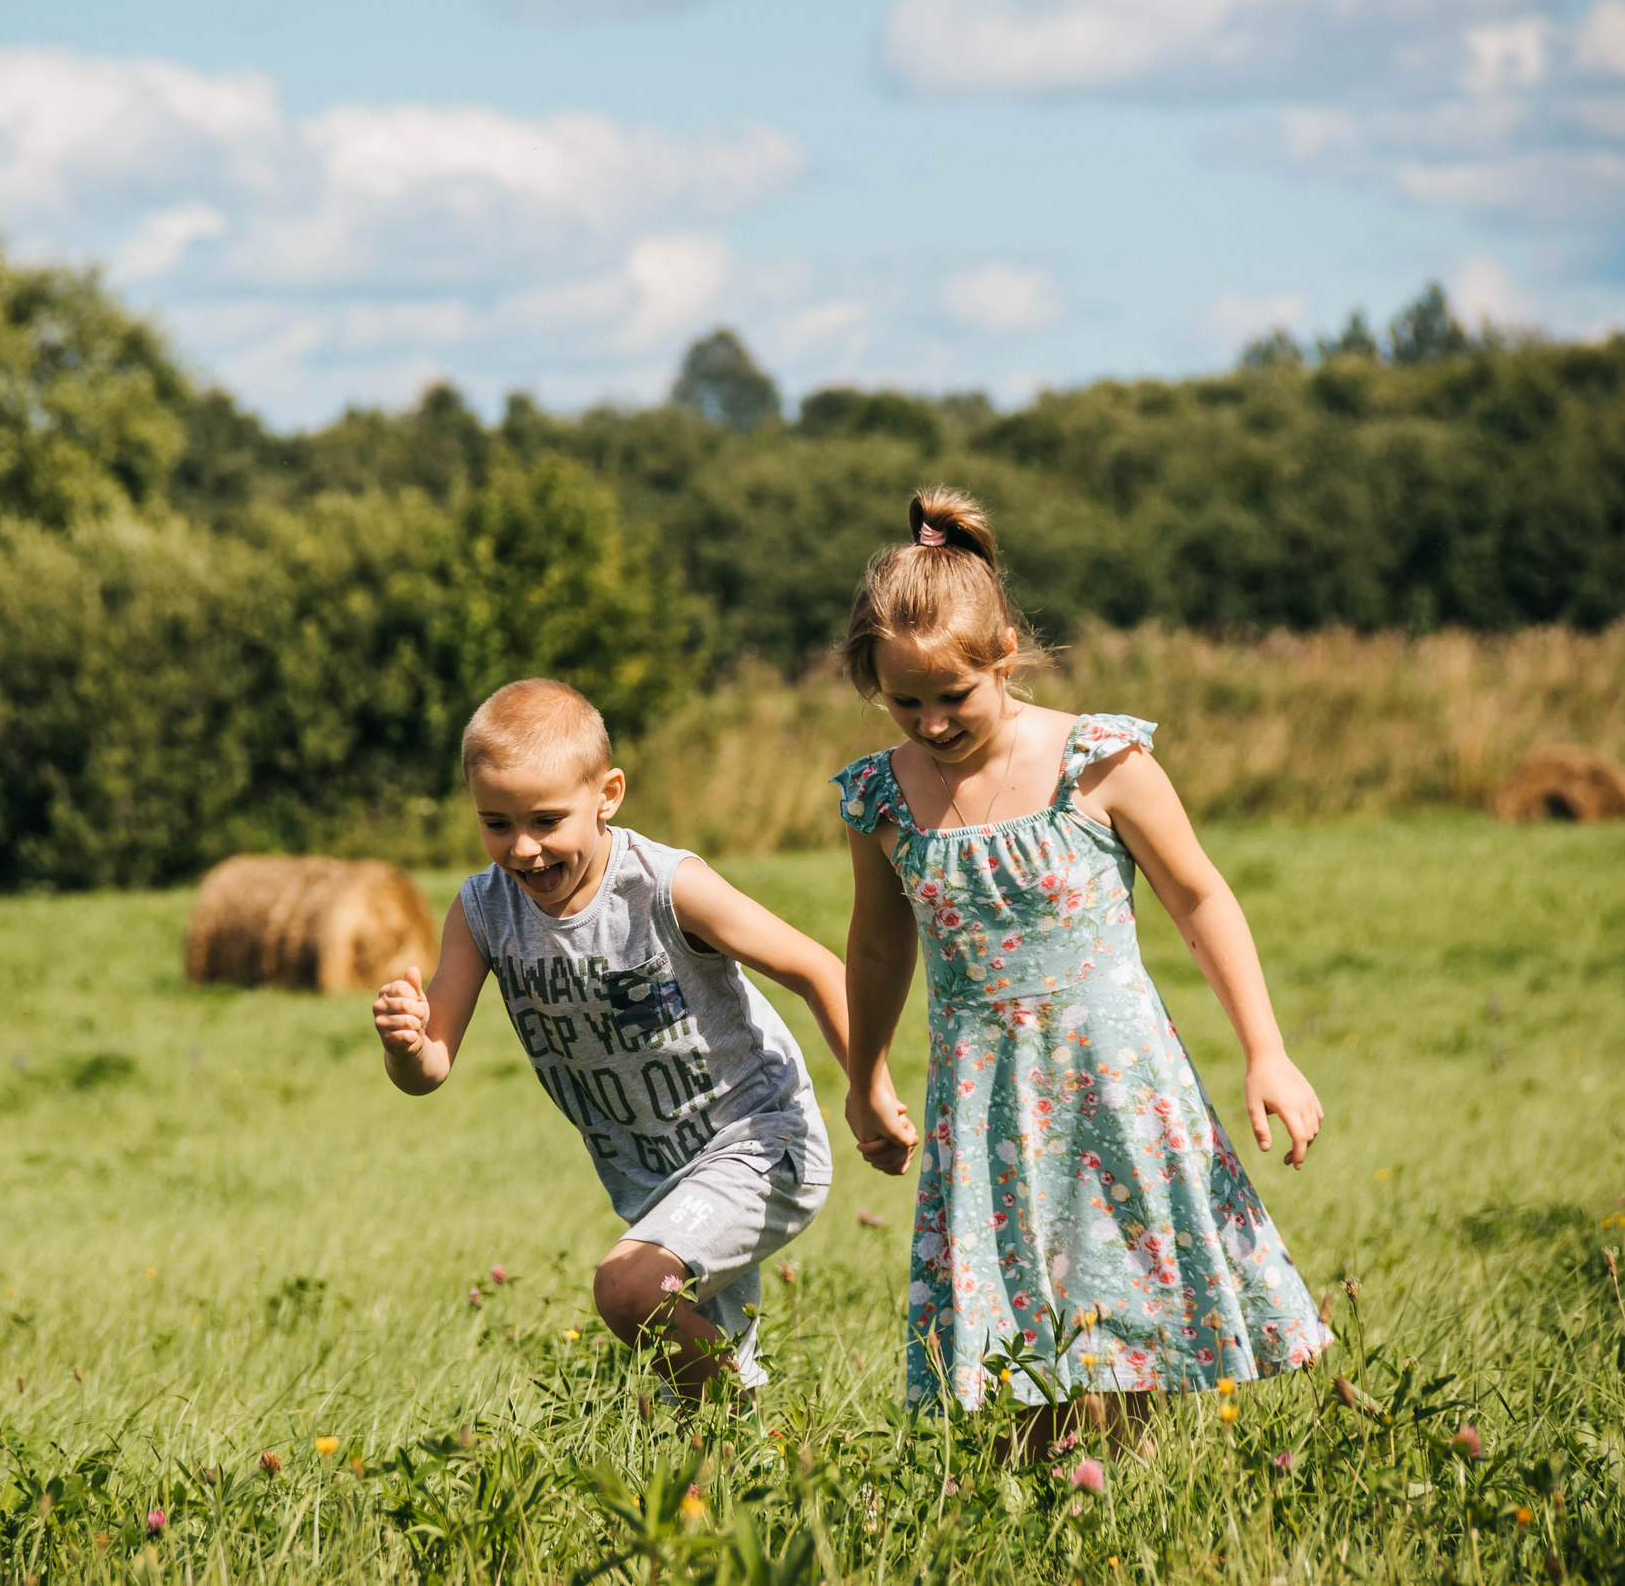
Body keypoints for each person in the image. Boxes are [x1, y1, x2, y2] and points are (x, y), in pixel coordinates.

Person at [833, 488, 1330, 1445]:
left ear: (1002, 659)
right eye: (906, 701)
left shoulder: (1098, 761)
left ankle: (1115, 1505)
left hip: (1112, 1082)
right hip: (985, 1098)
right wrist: (865, 1080)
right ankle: (1049, 1515)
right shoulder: (880, 798)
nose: (931, 723)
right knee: (1019, 1363)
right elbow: (878, 942)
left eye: (953, 697)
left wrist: (1266, 1052)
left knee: (1117, 1332)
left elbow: (1199, 898)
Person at [373, 678, 910, 1403]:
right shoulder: (482, 910)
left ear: (609, 794)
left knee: (628, 1289)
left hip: (759, 1140)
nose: (523, 849)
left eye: (545, 820)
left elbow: (815, 968)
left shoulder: (664, 885)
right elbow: (431, 1065)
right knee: (689, 1409)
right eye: (496, 823)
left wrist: (869, 1092)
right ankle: (774, 1474)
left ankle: (760, 1429)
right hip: (656, 1182)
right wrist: (407, 1043)